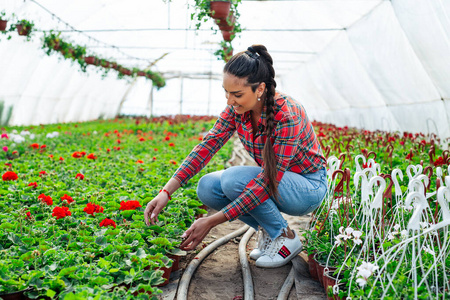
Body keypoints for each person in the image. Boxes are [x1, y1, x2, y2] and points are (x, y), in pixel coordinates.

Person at [144, 44, 327, 268]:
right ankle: (270, 233)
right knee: (208, 186)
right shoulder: (236, 110)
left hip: (307, 188)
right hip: (278, 182)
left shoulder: (287, 114)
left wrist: (211, 221)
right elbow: (207, 146)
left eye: (237, 94)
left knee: (234, 179)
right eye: (226, 92)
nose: (229, 101)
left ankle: (285, 237)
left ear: (259, 89)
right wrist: (166, 191)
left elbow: (268, 181)